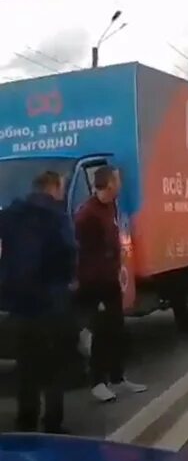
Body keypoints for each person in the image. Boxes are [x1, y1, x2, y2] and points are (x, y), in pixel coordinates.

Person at [0, 170, 77, 433]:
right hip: (50, 303)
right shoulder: (57, 217)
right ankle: (53, 423)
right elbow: (69, 252)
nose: (62, 193)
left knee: (26, 367)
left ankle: (26, 420)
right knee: (54, 367)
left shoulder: (10, 216)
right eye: (61, 188)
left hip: (19, 305)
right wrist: (68, 280)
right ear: (52, 187)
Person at [75, 165, 146, 402]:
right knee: (102, 332)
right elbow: (81, 252)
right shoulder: (87, 214)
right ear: (109, 184)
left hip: (110, 279)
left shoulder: (110, 207)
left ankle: (118, 378)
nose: (121, 184)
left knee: (117, 330)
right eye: (117, 180)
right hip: (94, 282)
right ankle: (97, 382)